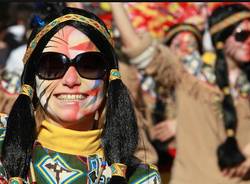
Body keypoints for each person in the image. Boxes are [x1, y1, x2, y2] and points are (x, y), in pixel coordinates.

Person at [0, 7, 161, 183]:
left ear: (109, 79)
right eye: (52, 65)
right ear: (32, 78)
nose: (70, 80)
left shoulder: (139, 178)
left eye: (89, 65)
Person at [115, 3, 250, 184]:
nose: (249, 41)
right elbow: (138, 48)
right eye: (242, 35)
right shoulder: (188, 80)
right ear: (221, 38)